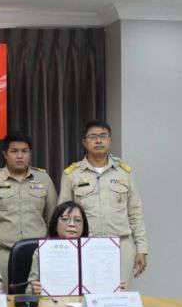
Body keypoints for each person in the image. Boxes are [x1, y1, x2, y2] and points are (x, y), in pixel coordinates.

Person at [58, 120, 148, 283]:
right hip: (85, 245)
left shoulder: (123, 173)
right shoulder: (72, 174)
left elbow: (135, 212)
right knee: (85, 293)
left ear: (110, 140)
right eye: (93, 137)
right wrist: (65, 249)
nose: (98, 140)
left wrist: (141, 248)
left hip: (121, 245)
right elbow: (62, 216)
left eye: (103, 136)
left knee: (119, 294)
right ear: (84, 142)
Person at [0, 132, 57, 289]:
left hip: (37, 255)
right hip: (1, 255)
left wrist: (51, 252)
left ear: (30, 154)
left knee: (37, 298)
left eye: (24, 151)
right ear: (5, 154)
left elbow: (53, 219)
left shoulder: (44, 179)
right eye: (14, 151)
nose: (20, 156)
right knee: (2, 299)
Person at [27, 201, 127, 295]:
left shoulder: (96, 251)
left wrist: (115, 288)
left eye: (77, 220)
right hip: (54, 304)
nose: (72, 224)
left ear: (84, 226)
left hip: (87, 304)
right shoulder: (42, 251)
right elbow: (28, 291)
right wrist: (33, 290)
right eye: (65, 219)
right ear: (55, 225)